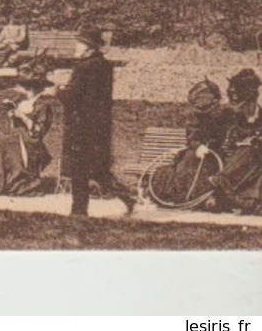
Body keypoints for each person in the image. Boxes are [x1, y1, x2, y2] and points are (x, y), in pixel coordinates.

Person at [57, 27, 135, 217]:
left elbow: (72, 97)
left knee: (79, 170)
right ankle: (126, 197)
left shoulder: (83, 68)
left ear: (88, 48)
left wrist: (59, 90)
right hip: (99, 125)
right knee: (98, 169)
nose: (76, 46)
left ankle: (78, 210)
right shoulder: (104, 66)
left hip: (81, 125)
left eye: (79, 43)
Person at [0, 75, 54, 196]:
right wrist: (13, 117)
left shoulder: (43, 106)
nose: (18, 88)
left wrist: (22, 117)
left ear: (33, 89)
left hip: (30, 142)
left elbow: (38, 131)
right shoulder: (23, 103)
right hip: (16, 137)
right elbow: (15, 128)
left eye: (23, 86)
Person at [152, 79, 229, 207]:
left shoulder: (225, 114)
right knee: (187, 166)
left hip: (215, 155)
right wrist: (198, 146)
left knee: (211, 172)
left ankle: (205, 198)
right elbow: (191, 137)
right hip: (197, 152)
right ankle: (185, 197)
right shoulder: (195, 116)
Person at [209, 68, 262, 214]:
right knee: (248, 151)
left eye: (248, 104)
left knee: (254, 151)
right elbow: (217, 136)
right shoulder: (230, 116)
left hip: (254, 160)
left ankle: (232, 194)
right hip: (234, 158)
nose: (245, 108)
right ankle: (231, 192)